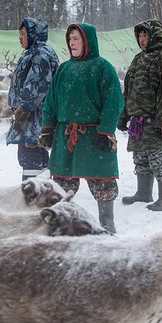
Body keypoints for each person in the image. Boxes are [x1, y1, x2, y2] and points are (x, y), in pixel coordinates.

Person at [39, 23, 124, 233]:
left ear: (87, 41)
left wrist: (105, 131)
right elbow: (51, 101)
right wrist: (48, 128)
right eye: (70, 39)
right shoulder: (64, 69)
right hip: (65, 135)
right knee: (61, 186)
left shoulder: (103, 67)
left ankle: (107, 227)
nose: (72, 43)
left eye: (77, 38)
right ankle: (63, 226)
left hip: (94, 136)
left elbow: (114, 102)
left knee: (103, 185)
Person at [118, 19, 162, 211]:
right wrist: (124, 115)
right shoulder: (138, 59)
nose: (142, 39)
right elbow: (128, 90)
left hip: (157, 122)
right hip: (138, 123)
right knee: (141, 159)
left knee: (161, 161)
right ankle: (143, 193)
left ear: (155, 36)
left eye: (145, 35)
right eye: (139, 35)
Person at [6, 17, 60, 181]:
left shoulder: (40, 54)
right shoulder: (32, 52)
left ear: (33, 34)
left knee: (30, 155)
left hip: (34, 117)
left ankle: (32, 194)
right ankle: (42, 190)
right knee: (37, 154)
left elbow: (35, 85)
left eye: (23, 33)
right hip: (34, 116)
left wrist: (22, 111)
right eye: (19, 34)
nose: (20, 37)